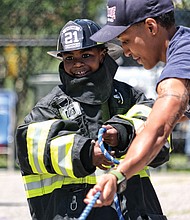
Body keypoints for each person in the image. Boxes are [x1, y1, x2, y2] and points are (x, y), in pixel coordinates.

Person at [16, 18, 171, 220]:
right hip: (74, 212)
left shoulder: (129, 96)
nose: (78, 63)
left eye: (86, 55)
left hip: (132, 211)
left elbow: (160, 130)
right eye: (69, 58)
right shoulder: (51, 106)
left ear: (103, 54)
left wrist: (124, 133)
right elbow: (27, 145)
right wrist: (86, 152)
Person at [84, 0, 190, 209]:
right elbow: (172, 116)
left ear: (151, 27)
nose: (125, 52)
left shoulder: (181, 65)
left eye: (126, 40)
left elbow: (159, 129)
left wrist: (117, 174)